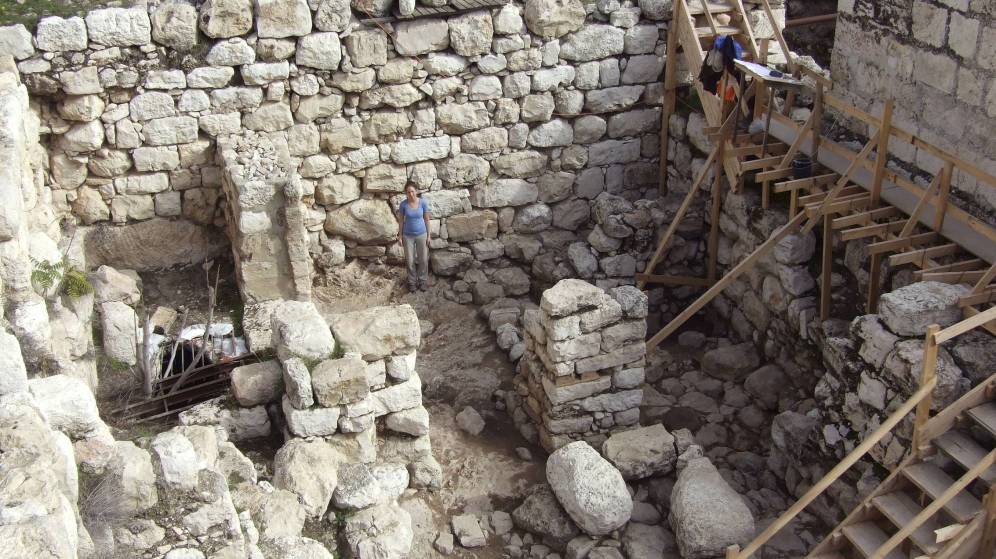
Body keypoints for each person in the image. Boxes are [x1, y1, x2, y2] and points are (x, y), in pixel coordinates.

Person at [397, 184, 431, 292]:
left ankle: (422, 281)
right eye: (408, 192)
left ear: (416, 191)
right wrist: (400, 236)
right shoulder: (403, 205)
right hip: (408, 236)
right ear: (406, 193)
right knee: (410, 260)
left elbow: (427, 219)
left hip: (422, 234)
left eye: (412, 191)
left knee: (423, 259)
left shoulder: (423, 203)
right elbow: (401, 221)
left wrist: (429, 235)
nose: (410, 194)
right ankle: (412, 282)